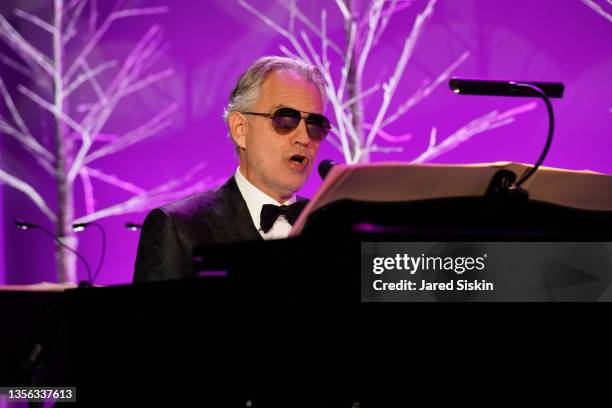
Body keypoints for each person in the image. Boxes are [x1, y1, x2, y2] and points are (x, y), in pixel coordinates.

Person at [133, 56, 331, 282]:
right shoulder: (178, 227)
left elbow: (380, 295)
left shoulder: (336, 229)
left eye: (315, 125)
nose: (304, 138)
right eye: (285, 120)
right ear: (240, 129)